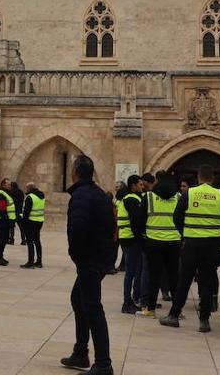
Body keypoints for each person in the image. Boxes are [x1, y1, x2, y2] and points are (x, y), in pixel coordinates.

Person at [59, 154, 115, 375]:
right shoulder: (100, 194)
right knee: (78, 298)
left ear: (74, 172)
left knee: (92, 306)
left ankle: (103, 363)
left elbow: (78, 230)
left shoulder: (81, 195)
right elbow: (111, 225)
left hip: (90, 259)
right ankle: (81, 352)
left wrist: (77, 255)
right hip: (99, 257)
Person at [161, 164, 220, 331]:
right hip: (212, 245)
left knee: (184, 280)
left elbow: (177, 217)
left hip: (192, 244)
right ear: (212, 178)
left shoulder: (189, 194)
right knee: (207, 281)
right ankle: (204, 321)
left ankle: (174, 315)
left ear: (199, 178)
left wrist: (184, 235)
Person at [138, 171, 180, 318]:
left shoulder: (149, 197)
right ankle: (176, 311)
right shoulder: (179, 197)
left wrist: (143, 238)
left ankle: (150, 309)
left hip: (153, 242)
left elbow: (139, 220)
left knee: (154, 276)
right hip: (174, 243)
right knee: (174, 277)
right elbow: (183, 219)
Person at [117, 174, 146, 315]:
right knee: (130, 272)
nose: (142, 187)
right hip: (131, 239)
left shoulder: (129, 198)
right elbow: (136, 222)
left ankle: (130, 301)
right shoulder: (132, 199)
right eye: (140, 184)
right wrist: (140, 238)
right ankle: (127, 302)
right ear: (133, 185)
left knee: (133, 271)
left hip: (127, 238)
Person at [21, 181, 45, 268]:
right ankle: (39, 262)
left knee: (30, 242)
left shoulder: (30, 197)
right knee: (37, 241)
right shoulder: (41, 196)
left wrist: (23, 222)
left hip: (31, 222)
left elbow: (26, 212)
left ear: (29, 188)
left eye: (26, 188)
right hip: (39, 221)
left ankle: (30, 262)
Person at [0, 177, 15, 266]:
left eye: (10, 184)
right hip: (1, 221)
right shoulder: (1, 194)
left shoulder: (6, 194)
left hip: (5, 221)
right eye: (8, 184)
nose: (10, 186)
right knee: (1, 240)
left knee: (4, 239)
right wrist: (7, 221)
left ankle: (0, 256)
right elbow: (2, 210)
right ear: (3, 185)